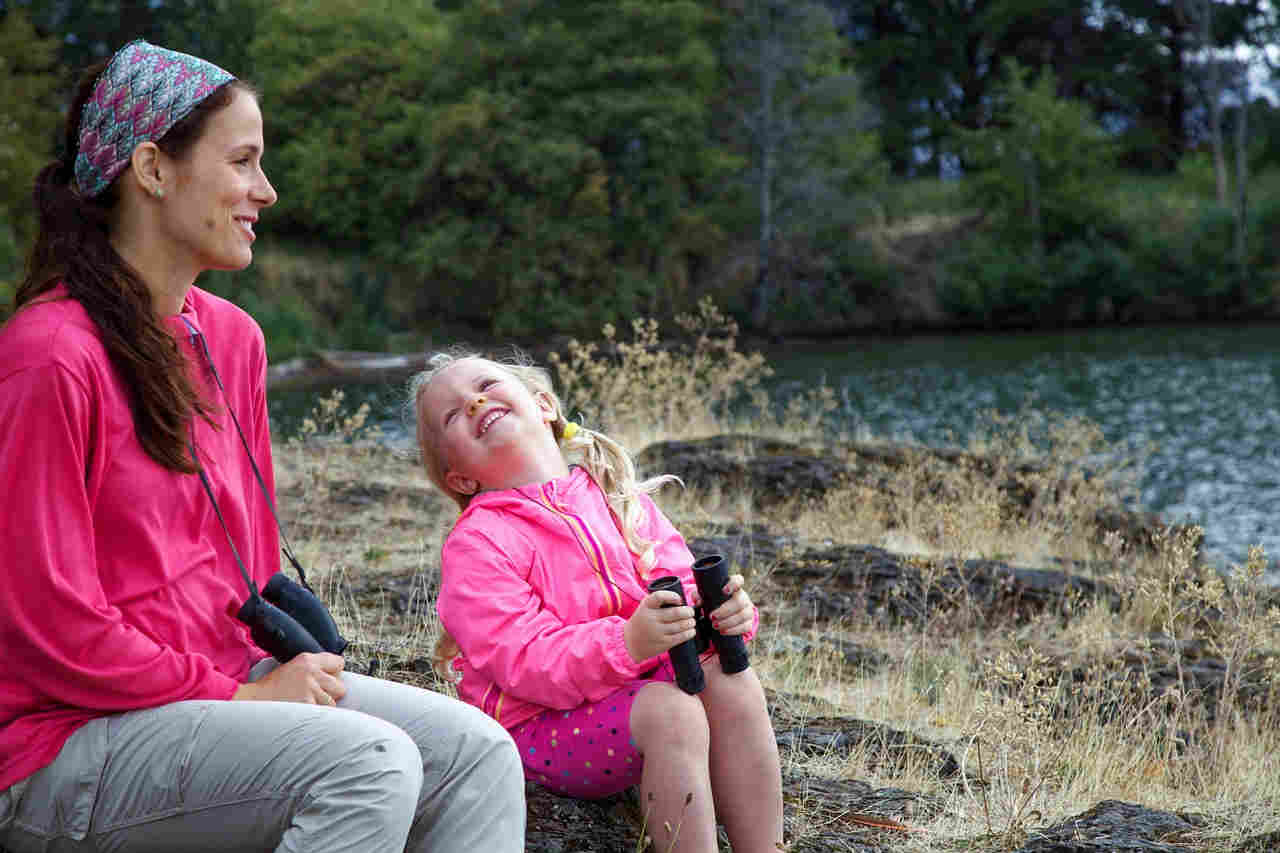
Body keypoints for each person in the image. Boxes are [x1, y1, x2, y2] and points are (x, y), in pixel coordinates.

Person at [0, 40, 524, 852]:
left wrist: (256, 682)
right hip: (63, 739)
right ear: (152, 168)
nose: (266, 191)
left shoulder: (232, 340)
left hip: (213, 696)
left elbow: (240, 565)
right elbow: (47, 625)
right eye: (243, 161)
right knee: (371, 763)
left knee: (479, 754)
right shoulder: (48, 357)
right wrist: (239, 698)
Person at [411, 351, 784, 853]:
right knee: (671, 713)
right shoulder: (478, 543)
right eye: (453, 415)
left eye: (486, 384)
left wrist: (726, 618)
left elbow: (680, 587)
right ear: (459, 478)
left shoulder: (614, 495)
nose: (475, 401)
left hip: (632, 688)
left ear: (543, 404)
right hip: (539, 725)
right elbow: (524, 659)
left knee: (733, 680)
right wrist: (627, 642)